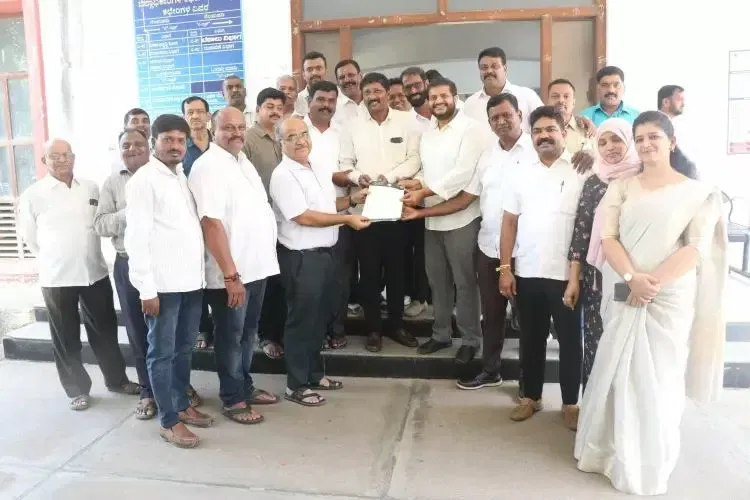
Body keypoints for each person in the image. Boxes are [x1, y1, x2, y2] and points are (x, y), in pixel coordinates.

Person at [575, 111, 727, 496]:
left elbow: (696, 247)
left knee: (659, 377)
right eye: (640, 138)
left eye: (653, 137)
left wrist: (652, 283)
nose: (645, 144)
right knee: (616, 371)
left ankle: (648, 459)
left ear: (671, 142)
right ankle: (608, 453)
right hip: (624, 285)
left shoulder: (698, 193)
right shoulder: (622, 187)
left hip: (669, 295)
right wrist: (632, 279)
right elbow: (608, 238)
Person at [401, 92, 534, 386]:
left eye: (507, 115)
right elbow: (466, 197)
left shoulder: (536, 151)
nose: (501, 121)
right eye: (495, 118)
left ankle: (529, 382)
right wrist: (421, 211)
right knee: (492, 312)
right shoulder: (488, 156)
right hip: (489, 243)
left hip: (527, 246)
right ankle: (490, 369)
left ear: (520, 115)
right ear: (489, 122)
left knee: (527, 315)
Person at [19, 138, 138, 411]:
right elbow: (30, 238)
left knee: (105, 331)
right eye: (55, 156)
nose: (62, 160)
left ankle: (117, 380)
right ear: (44, 161)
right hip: (57, 277)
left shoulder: (91, 187)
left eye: (66, 154)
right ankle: (77, 390)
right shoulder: (33, 194)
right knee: (66, 336)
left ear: (73, 157)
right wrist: (55, 256)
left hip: (94, 271)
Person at [125, 114, 213, 448]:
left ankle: (180, 403)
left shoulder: (180, 176)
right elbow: (136, 239)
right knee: (161, 354)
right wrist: (146, 289)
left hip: (190, 283)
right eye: (168, 140)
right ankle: (168, 421)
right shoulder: (144, 181)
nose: (175, 146)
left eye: (180, 140)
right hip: (162, 287)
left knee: (183, 350)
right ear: (154, 142)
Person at [269, 117, 370, 406]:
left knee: (319, 320)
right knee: (302, 321)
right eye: (292, 137)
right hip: (302, 258)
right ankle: (296, 385)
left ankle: (313, 374)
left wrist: (353, 200)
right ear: (280, 142)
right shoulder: (283, 175)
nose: (301, 140)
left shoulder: (317, 166)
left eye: (304, 134)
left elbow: (326, 206)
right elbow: (303, 216)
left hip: (326, 254)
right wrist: (347, 220)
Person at [499, 106, 590, 429]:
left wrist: (592, 150)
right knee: (531, 339)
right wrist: (505, 268)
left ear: (564, 133)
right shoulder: (521, 173)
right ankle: (531, 397)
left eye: (551, 129)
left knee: (570, 341)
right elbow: (509, 223)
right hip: (527, 271)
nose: (544, 136)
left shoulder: (581, 170)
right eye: (537, 131)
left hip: (567, 275)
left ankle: (570, 403)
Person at [189, 107, 281, 425]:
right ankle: (232, 398)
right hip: (232, 273)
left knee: (247, 334)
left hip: (256, 268)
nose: (236, 133)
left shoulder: (241, 161)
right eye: (228, 128)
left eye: (241, 127)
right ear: (213, 130)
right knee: (231, 337)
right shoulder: (208, 167)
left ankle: (244, 385)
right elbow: (211, 223)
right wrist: (230, 275)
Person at [401, 77, 485, 364]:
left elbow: (462, 173)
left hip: (462, 219)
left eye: (443, 96)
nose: (438, 101)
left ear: (455, 97)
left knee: (465, 283)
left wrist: (423, 192)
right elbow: (427, 170)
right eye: (433, 97)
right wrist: (416, 183)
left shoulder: (471, 129)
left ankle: (471, 339)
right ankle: (441, 334)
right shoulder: (428, 133)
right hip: (432, 221)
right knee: (437, 282)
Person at [339, 72, 421, 352]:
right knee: (369, 273)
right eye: (367, 93)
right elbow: (346, 163)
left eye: (377, 91)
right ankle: (373, 329)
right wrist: (357, 177)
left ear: (387, 92)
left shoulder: (407, 122)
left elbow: (415, 159)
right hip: (365, 212)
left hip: (398, 210)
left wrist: (390, 177)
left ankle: (396, 325)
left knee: (398, 271)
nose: (372, 97)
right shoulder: (351, 127)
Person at [564, 118, 640, 391]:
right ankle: (595, 411)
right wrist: (573, 279)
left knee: (628, 344)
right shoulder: (594, 182)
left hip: (633, 274)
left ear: (629, 141)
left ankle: (624, 411)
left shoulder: (642, 180)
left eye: (617, 139)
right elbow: (581, 233)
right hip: (596, 277)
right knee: (597, 341)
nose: (610, 147)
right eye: (603, 142)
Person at [94, 129, 156, 419]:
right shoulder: (112, 183)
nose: (133, 149)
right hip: (128, 264)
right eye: (126, 145)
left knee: (169, 330)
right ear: (119, 150)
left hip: (163, 265)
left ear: (149, 146)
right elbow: (100, 225)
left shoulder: (163, 175)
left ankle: (178, 387)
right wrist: (130, 213)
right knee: (138, 331)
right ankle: (148, 391)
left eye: (139, 144)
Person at [243, 88, 286, 359]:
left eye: (279, 107)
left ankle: (280, 332)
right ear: (258, 109)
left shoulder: (284, 137)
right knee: (265, 284)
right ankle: (265, 335)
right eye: (269, 106)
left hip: (287, 222)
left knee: (281, 282)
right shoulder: (248, 139)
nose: (275, 111)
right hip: (259, 223)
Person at [463, 47, 543, 135]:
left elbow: (544, 126)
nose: (489, 71)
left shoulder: (527, 96)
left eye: (494, 66)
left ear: (505, 68)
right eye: (484, 67)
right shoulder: (470, 103)